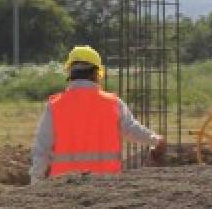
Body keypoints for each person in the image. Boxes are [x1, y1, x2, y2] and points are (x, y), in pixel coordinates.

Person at [29, 45, 164, 184]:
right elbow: (132, 129)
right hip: (106, 185)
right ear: (96, 73)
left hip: (64, 186)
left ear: (70, 73)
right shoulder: (112, 103)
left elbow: (41, 148)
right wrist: (156, 140)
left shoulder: (55, 105)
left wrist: (36, 180)